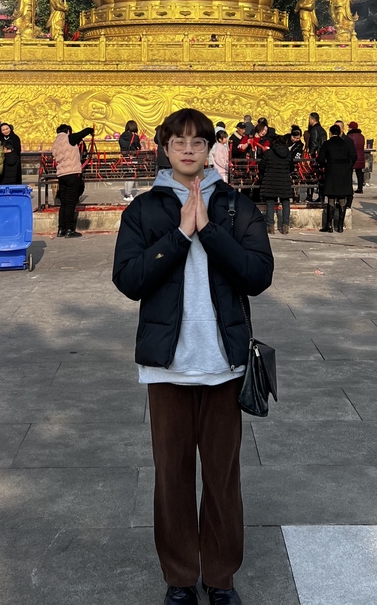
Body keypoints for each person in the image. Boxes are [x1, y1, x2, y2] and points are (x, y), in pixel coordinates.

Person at [112, 108, 273, 605]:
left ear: (209, 149)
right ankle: (180, 577)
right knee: (173, 478)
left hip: (224, 365)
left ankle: (221, 578)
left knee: (223, 479)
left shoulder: (236, 206)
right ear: (164, 148)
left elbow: (258, 275)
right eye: (178, 141)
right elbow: (129, 279)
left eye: (197, 142)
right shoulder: (143, 210)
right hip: (168, 366)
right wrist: (180, 235)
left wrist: (209, 230)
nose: (188, 149)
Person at [52, 123, 95, 238]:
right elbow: (84, 132)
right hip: (72, 174)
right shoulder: (69, 138)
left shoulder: (55, 143)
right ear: (68, 131)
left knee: (64, 203)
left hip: (61, 175)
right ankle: (70, 229)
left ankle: (61, 229)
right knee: (71, 203)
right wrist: (91, 130)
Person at [318, 124, 355, 233]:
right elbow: (352, 157)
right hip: (344, 173)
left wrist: (326, 165)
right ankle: (340, 226)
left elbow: (320, 159)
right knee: (342, 197)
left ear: (330, 133)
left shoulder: (327, 144)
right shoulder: (345, 144)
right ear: (340, 133)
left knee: (331, 197)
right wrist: (347, 167)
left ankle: (329, 225)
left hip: (331, 171)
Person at [260, 133, 293, 234]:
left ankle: (270, 227)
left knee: (270, 202)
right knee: (286, 203)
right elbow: (291, 167)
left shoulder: (268, 153)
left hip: (270, 181)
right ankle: (285, 227)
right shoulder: (288, 153)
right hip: (284, 181)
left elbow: (261, 166)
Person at [119, 120, 142, 201]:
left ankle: (126, 194)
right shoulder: (134, 136)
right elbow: (138, 147)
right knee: (131, 176)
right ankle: (128, 194)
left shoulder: (121, 136)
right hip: (132, 158)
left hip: (124, 158)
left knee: (127, 176)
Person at [347, 121, 366, 194]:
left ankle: (350, 188)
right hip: (360, 157)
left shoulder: (349, 136)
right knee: (359, 172)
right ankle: (360, 188)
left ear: (351, 128)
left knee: (350, 173)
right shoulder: (361, 136)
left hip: (352, 156)